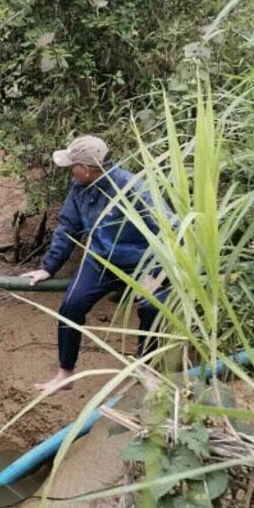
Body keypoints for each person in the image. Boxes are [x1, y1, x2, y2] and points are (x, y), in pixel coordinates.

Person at [23, 134, 170, 393]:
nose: (70, 171)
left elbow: (168, 226)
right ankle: (65, 374)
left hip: (142, 259)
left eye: (73, 166)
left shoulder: (133, 187)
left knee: (151, 307)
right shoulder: (79, 189)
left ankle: (145, 367)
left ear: (89, 170)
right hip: (101, 258)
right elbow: (68, 226)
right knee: (71, 305)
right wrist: (49, 266)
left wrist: (159, 270)